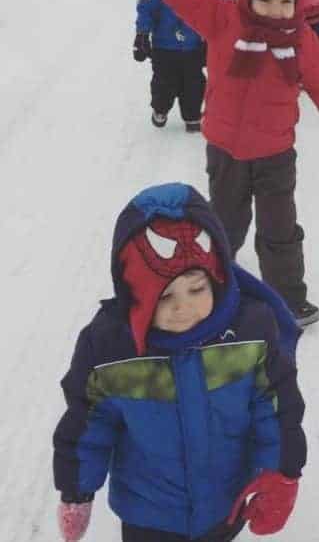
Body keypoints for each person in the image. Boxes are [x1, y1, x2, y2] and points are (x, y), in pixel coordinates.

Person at [96, 0, 319, 327]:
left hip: (275, 154)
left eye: (285, 0)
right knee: (225, 224)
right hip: (227, 152)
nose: (274, 9)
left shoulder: (301, 39)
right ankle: (213, 283)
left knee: (279, 229)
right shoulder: (222, 20)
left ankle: (287, 295)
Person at [54, 183, 306, 542]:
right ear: (133, 295)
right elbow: (87, 423)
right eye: (163, 295)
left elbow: (277, 407)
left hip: (224, 503)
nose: (182, 307)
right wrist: (76, 490)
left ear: (217, 277)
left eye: (196, 289)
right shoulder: (110, 348)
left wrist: (283, 471)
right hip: (148, 514)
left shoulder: (250, 331)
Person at [134, 0, 206, 131]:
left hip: (192, 49)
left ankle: (192, 116)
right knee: (163, 85)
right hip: (164, 48)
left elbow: (210, 12)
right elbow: (145, 11)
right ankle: (160, 108)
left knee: (194, 85)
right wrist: (142, 35)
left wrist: (210, 39)